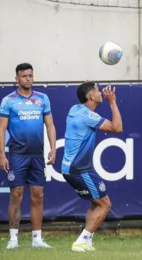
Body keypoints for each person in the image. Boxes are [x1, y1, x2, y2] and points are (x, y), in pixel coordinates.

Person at [60, 81, 122, 252]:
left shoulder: (75, 109)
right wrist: (112, 102)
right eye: (97, 90)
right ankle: (81, 240)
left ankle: (86, 241)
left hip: (72, 168)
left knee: (96, 203)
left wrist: (88, 85)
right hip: (79, 169)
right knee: (105, 204)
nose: (101, 92)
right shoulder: (87, 116)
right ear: (90, 96)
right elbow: (117, 127)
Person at [0, 63, 57, 249]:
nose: (28, 79)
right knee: (16, 194)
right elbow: (1, 129)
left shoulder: (42, 99)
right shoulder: (9, 101)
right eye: (24, 76)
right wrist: (2, 155)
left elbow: (50, 125)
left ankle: (37, 239)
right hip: (17, 155)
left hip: (37, 155)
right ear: (16, 79)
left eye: (31, 76)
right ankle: (13, 239)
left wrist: (53, 148)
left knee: (37, 194)